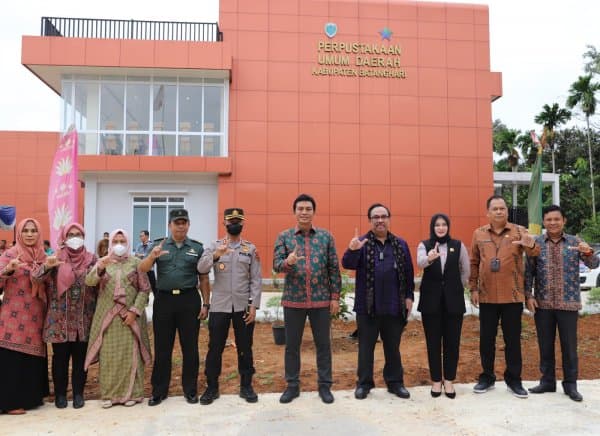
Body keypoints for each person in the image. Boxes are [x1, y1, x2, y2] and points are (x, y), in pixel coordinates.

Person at [525, 205, 598, 402]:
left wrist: (589, 252)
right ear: (544, 222)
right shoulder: (537, 243)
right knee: (545, 344)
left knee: (569, 346)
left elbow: (594, 264)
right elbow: (528, 271)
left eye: (556, 219)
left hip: (568, 304)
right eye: (549, 220)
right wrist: (528, 296)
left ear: (563, 220)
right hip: (543, 304)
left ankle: (570, 384)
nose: (553, 223)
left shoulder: (575, 242)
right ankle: (547, 381)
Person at [469, 194, 540, 398]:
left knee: (513, 341)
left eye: (502, 208)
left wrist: (531, 245)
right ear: (488, 212)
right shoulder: (478, 234)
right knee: (486, 340)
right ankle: (487, 377)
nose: (499, 211)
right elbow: (474, 262)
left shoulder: (519, 230)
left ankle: (514, 380)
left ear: (507, 211)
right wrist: (473, 288)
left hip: (513, 296)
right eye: (495, 209)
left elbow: (535, 254)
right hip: (487, 296)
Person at [273, 193, 341, 404]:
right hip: (294, 301)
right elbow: (276, 265)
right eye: (300, 209)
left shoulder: (326, 237)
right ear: (295, 212)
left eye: (308, 209)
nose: (304, 212)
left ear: (313, 212)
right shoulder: (284, 237)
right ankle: (292, 386)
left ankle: (325, 386)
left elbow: (333, 268)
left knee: (323, 345)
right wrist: (289, 262)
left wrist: (335, 297)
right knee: (292, 346)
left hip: (321, 300)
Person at [342, 203, 414, 400]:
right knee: (365, 349)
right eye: (376, 217)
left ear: (389, 219)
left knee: (393, 347)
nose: (380, 220)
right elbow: (347, 264)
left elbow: (408, 273)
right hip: (367, 307)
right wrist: (352, 250)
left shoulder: (401, 244)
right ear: (370, 220)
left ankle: (395, 383)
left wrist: (409, 297)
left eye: (383, 216)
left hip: (394, 305)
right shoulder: (362, 243)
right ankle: (364, 384)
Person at [139, 208, 210, 406]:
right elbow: (142, 269)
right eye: (176, 222)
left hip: (189, 300)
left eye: (183, 222)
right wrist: (152, 256)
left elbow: (203, 278)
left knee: (190, 348)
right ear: (170, 225)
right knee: (162, 349)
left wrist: (206, 303)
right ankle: (159, 391)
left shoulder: (197, 248)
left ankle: (190, 390)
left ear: (188, 225)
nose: (180, 226)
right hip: (164, 301)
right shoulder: (157, 245)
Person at [197, 208, 262, 405]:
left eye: (238, 221)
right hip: (219, 306)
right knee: (215, 347)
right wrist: (216, 255)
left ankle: (246, 386)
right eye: (231, 221)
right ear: (224, 223)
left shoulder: (250, 249)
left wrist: (253, 306)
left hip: (242, 307)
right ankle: (212, 387)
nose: (234, 223)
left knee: (245, 347)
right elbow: (201, 268)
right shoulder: (213, 246)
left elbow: (256, 280)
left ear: (242, 224)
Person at [84, 229, 151, 408]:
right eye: (115, 241)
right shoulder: (103, 262)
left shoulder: (136, 262)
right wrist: (100, 266)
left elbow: (145, 289)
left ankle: (134, 394)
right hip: (108, 318)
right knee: (109, 356)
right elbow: (89, 282)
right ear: (110, 244)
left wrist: (134, 311)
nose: (119, 244)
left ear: (128, 243)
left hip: (131, 319)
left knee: (131, 354)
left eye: (122, 241)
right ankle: (109, 395)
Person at [37, 223, 98, 409]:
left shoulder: (92, 259)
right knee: (60, 360)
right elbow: (36, 278)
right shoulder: (55, 258)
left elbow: (99, 283)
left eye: (78, 234)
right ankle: (61, 395)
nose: (74, 237)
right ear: (64, 237)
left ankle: (79, 394)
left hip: (83, 318)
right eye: (71, 234)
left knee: (80, 360)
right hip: (59, 320)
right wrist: (47, 267)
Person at [416, 213, 470, 399]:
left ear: (448, 226)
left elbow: (465, 271)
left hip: (453, 303)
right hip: (431, 303)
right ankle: (436, 381)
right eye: (437, 225)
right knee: (433, 343)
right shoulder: (425, 245)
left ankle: (449, 381)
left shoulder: (458, 245)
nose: (440, 228)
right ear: (432, 227)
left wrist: (454, 288)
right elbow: (420, 262)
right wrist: (430, 258)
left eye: (444, 224)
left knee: (452, 343)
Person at [0, 218, 50, 414]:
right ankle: (9, 402)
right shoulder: (9, 255)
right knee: (12, 359)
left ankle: (30, 398)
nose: (30, 234)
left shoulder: (44, 257)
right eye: (26, 231)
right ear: (19, 233)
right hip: (12, 318)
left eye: (34, 230)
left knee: (31, 358)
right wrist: (8, 270)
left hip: (36, 316)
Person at [135, 230, 157, 294]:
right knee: (141, 287)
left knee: (154, 287)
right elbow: (136, 255)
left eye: (142, 236)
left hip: (150, 269)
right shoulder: (138, 245)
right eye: (140, 236)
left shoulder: (152, 245)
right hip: (140, 269)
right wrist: (144, 255)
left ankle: (157, 301)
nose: (140, 237)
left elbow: (151, 255)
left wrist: (142, 255)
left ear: (147, 236)